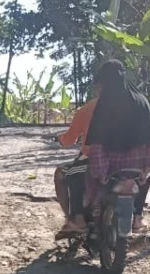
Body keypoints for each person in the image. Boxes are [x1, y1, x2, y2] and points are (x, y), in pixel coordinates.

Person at [72, 59, 150, 239]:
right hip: (135, 170)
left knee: (86, 175)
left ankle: (94, 210)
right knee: (147, 179)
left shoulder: (105, 104)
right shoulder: (142, 101)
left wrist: (101, 172)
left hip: (111, 168)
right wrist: (147, 168)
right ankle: (137, 218)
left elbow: (97, 143)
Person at [53, 88, 99, 238]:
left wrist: (60, 139)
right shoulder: (127, 107)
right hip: (122, 162)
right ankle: (137, 218)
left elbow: (69, 139)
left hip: (93, 159)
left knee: (65, 173)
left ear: (98, 87)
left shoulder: (87, 109)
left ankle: (74, 218)